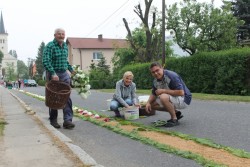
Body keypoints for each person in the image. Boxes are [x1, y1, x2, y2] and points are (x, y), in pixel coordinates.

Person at [43, 28, 75, 129]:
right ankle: (53, 119)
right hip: (54, 73)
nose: (61, 36)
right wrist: (53, 73)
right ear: (55, 35)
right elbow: (46, 61)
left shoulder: (65, 46)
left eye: (63, 34)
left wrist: (71, 70)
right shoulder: (50, 46)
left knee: (67, 96)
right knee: (54, 97)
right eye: (59, 34)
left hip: (64, 74)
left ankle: (67, 120)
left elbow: (65, 61)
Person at [145, 62, 192, 127]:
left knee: (163, 97)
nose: (155, 73)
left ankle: (174, 119)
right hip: (173, 98)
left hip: (184, 99)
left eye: (157, 70)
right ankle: (176, 113)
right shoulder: (155, 81)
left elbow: (181, 92)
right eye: (153, 72)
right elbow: (153, 93)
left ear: (162, 68)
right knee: (152, 105)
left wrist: (163, 91)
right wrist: (148, 103)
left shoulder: (171, 76)